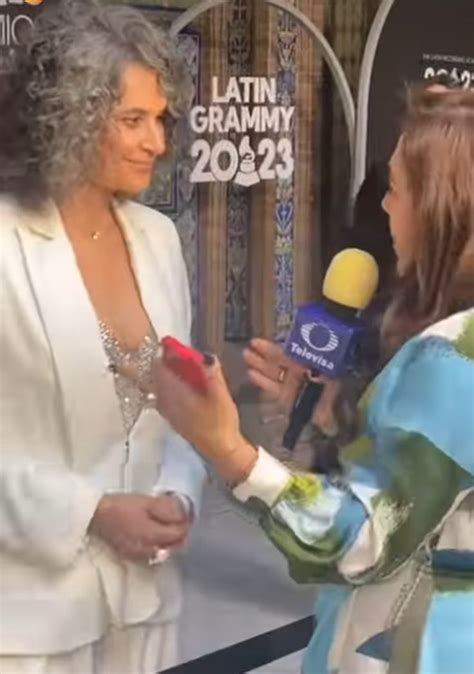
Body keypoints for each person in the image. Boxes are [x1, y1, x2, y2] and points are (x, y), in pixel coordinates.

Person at [145, 88, 474, 673]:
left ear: (442, 207)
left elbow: (358, 542)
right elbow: (437, 498)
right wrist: (337, 422)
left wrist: (229, 450)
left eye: (395, 191)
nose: (385, 211)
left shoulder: (450, 362)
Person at [0, 1, 206, 672]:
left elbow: (183, 409)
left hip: (147, 611)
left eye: (161, 119)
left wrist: (179, 493)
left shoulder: (160, 240)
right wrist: (89, 511)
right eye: (133, 120)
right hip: (27, 626)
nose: (158, 142)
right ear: (70, 118)